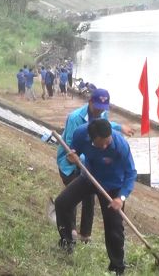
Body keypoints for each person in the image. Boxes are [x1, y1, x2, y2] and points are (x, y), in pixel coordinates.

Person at [55, 119, 137, 275]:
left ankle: (117, 267)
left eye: (108, 142)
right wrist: (71, 158)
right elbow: (74, 153)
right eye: (102, 143)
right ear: (92, 139)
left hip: (114, 187)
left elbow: (131, 174)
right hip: (90, 178)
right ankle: (67, 242)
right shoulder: (81, 133)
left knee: (114, 228)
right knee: (62, 203)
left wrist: (121, 198)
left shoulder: (120, 145)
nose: (105, 146)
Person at [56, 88, 135, 243]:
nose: (100, 111)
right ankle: (69, 236)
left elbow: (106, 126)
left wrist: (121, 197)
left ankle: (86, 235)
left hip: (96, 169)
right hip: (72, 166)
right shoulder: (75, 120)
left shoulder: (119, 144)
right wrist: (74, 156)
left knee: (108, 218)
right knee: (67, 202)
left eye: (103, 108)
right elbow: (73, 147)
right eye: (98, 107)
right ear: (90, 101)